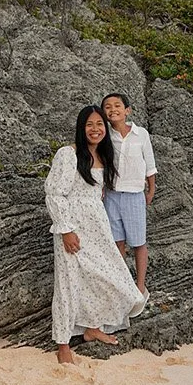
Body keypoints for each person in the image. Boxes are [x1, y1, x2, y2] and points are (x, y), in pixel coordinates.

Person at [47, 105, 148, 364]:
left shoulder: (104, 155)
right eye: (90, 125)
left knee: (106, 276)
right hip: (72, 226)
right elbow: (55, 193)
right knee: (68, 282)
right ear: (82, 128)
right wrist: (66, 230)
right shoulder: (68, 154)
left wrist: (148, 186)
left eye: (100, 124)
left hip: (98, 226)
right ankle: (63, 344)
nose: (95, 129)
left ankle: (92, 327)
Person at [100, 92, 159, 294]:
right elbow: (99, 164)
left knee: (138, 242)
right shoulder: (105, 136)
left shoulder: (140, 134)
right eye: (108, 107)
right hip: (112, 195)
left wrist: (150, 190)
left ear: (127, 110)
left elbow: (149, 164)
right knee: (117, 242)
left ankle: (140, 286)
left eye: (117, 105)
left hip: (135, 194)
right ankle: (124, 284)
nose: (113, 109)